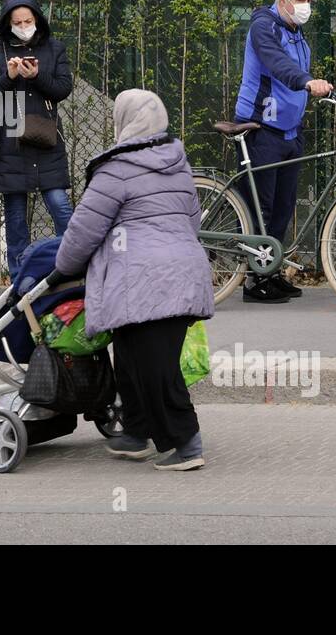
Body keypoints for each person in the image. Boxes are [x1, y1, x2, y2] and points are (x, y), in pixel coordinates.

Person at [54, 90, 215, 471]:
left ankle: (186, 443)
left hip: (145, 280)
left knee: (156, 367)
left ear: (123, 122)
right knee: (129, 356)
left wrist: (62, 267)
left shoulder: (116, 170)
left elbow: (83, 231)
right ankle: (136, 431)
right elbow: (191, 220)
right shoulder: (178, 163)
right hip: (184, 272)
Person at [232, 0, 333, 303]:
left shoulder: (295, 30)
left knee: (283, 206)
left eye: (309, 0)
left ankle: (269, 271)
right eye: (301, 0)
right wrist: (306, 81)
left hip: (290, 131)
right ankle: (252, 281)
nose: (306, 6)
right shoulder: (264, 26)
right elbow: (277, 65)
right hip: (260, 128)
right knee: (261, 206)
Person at [0, 0, 73, 282]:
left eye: (28, 20)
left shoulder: (54, 48)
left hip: (46, 140)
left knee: (59, 203)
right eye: (17, 21)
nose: (23, 25)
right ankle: (21, 278)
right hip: (9, 142)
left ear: (37, 19)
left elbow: (62, 89)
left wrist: (36, 77)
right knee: (15, 215)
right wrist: (10, 75)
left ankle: (71, 266)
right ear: (8, 23)